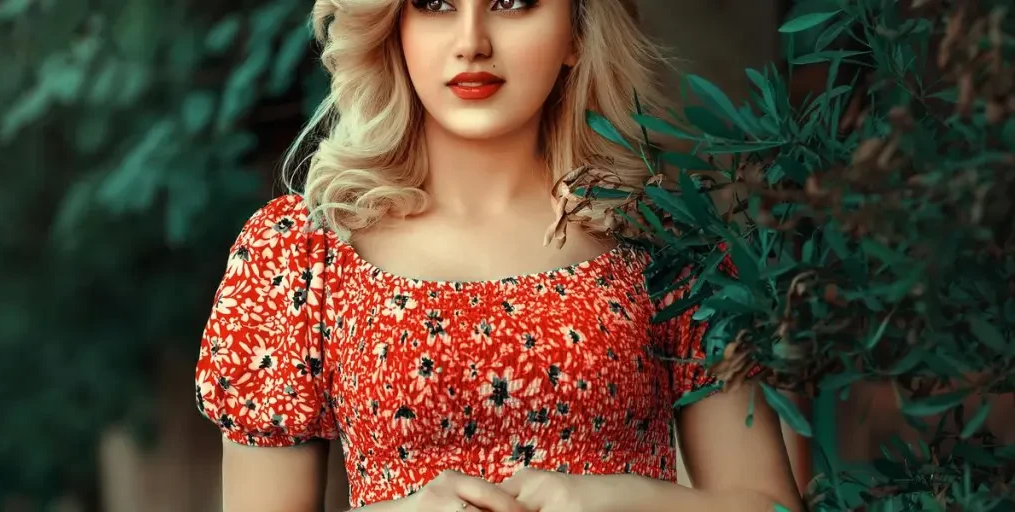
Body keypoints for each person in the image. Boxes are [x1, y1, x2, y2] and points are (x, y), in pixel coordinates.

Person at [194, 0, 803, 511]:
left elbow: (767, 504)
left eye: (512, 0)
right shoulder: (299, 255)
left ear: (577, 29)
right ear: (393, 27)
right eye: (435, 3)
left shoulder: (664, 240)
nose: (472, 41)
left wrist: (622, 500)